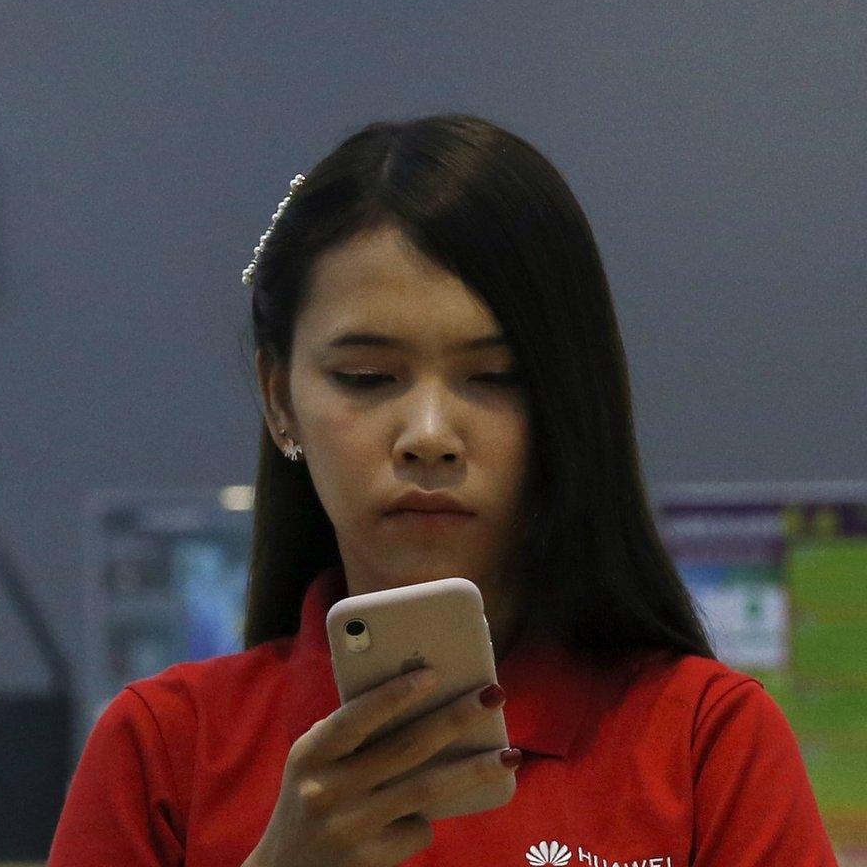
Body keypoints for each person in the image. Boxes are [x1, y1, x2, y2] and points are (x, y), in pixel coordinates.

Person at [48, 115, 839, 867]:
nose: (428, 433)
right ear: (279, 397)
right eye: (367, 377)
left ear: (569, 401)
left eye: (495, 377)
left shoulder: (707, 741)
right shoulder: (163, 748)